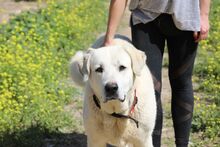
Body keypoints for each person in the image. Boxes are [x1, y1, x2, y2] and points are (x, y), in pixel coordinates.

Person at [104, 0, 211, 146]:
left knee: (181, 82)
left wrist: (203, 14)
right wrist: (109, 38)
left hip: (186, 17)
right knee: (150, 88)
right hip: (145, 19)